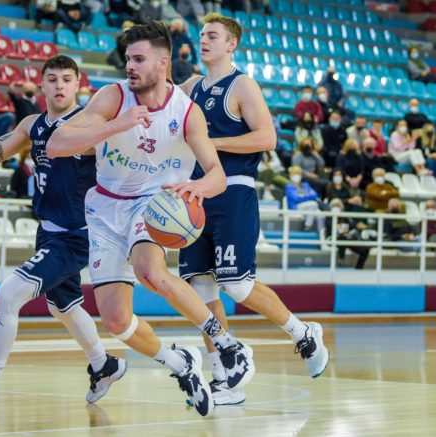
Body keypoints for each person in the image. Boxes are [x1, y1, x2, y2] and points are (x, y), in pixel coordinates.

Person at [48, 21, 256, 417]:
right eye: (128, 58)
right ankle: (181, 363)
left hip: (154, 204)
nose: (130, 66)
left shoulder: (187, 112)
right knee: (115, 320)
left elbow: (216, 175)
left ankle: (226, 344)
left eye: (139, 59)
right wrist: (117, 124)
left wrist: (196, 188)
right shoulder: (113, 97)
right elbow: (57, 144)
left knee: (150, 270)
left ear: (163, 63)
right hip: (105, 208)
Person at [0, 55, 127, 417]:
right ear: (42, 84)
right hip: (48, 230)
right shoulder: (32, 124)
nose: (59, 85)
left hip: (78, 234)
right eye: (52, 79)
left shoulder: (89, 124)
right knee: (63, 307)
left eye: (66, 79)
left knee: (8, 296)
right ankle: (103, 365)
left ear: (78, 84)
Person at [178, 13, 328, 404]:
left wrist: (210, 143)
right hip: (196, 194)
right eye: (202, 34)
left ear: (232, 44)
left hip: (233, 189)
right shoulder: (191, 86)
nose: (204, 40)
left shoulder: (242, 84)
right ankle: (224, 374)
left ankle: (303, 333)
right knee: (200, 289)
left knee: (236, 285)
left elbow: (267, 137)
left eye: (213, 35)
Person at [325, 198, 370, 269]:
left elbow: (351, 226)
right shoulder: (328, 217)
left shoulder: (345, 216)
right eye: (334, 206)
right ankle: (341, 260)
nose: (337, 208)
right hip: (333, 238)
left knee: (365, 250)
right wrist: (339, 227)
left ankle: (359, 268)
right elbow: (330, 228)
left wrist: (357, 226)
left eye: (338, 206)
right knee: (342, 238)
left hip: (347, 238)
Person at [286, 166, 324, 232]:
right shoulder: (289, 187)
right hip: (296, 208)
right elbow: (296, 199)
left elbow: (314, 195)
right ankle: (307, 226)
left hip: (309, 208)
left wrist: (303, 196)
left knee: (321, 215)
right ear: (291, 175)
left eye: (298, 174)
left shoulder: (305, 185)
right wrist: (307, 196)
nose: (297, 176)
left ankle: (321, 234)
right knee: (313, 204)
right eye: (295, 174)